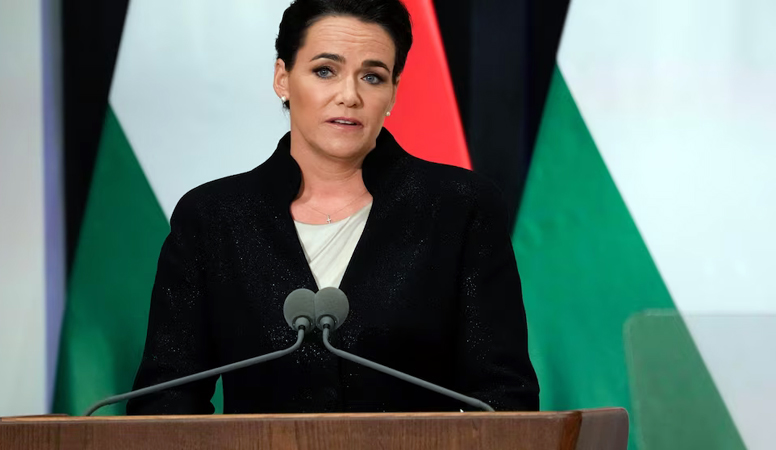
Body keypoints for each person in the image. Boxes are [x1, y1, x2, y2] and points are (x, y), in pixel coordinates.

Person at [127, 0, 538, 415]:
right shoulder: (212, 219)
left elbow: (504, 398)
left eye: (372, 77)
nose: (349, 96)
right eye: (325, 71)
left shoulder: (458, 208)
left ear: (393, 91)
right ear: (283, 78)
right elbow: (165, 401)